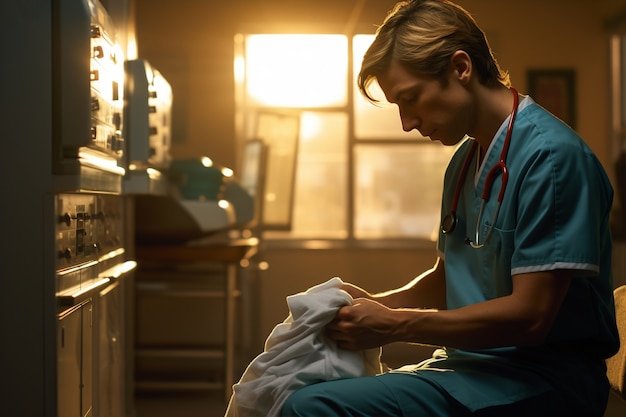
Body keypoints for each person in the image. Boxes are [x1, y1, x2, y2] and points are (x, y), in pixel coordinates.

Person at [281, 0, 620, 416]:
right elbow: (452, 278)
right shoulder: (465, 162)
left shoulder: (551, 159)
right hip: (469, 367)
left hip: (544, 382)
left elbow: (531, 316)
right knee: (301, 388)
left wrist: (396, 324)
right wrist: (378, 303)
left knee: (310, 406)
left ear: (461, 68)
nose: (406, 122)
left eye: (410, 99)